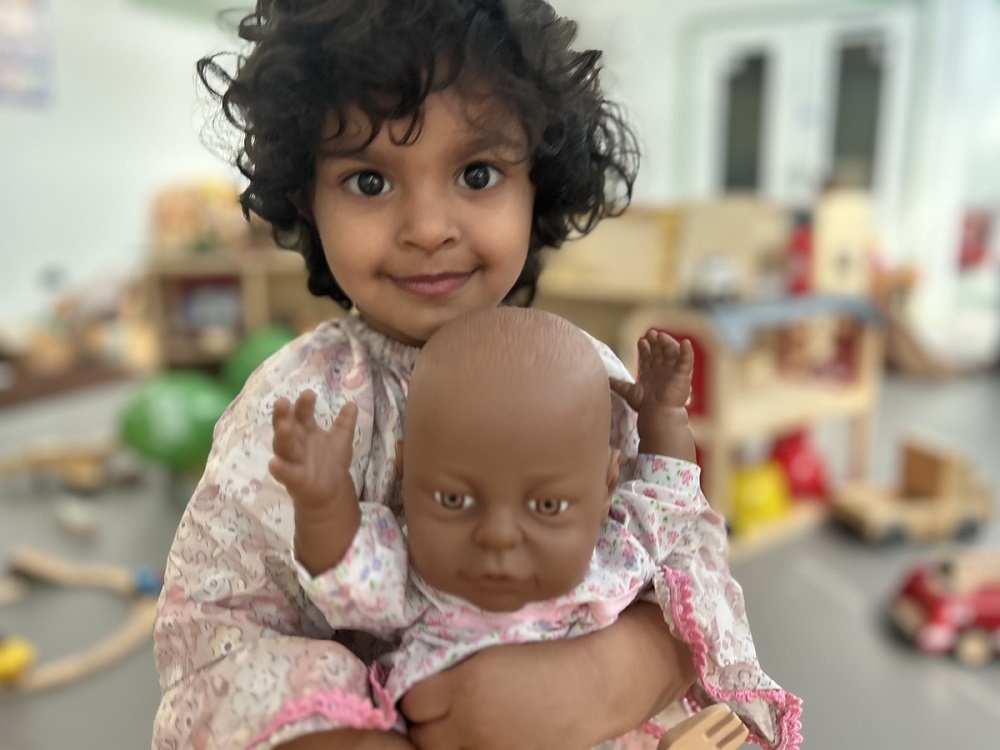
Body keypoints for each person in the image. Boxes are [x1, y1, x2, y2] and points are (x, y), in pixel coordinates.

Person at [151, 2, 803, 749]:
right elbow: (219, 626)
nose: (428, 227)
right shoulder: (298, 405)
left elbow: (678, 547)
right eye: (369, 182)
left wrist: (619, 670)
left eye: (477, 172)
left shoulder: (586, 377)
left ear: (540, 185)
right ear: (308, 198)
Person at [263, 308, 724, 745]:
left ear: (606, 489)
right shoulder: (413, 579)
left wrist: (664, 417)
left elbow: (665, 500)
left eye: (546, 505)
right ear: (407, 472)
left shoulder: (608, 562)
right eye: (455, 500)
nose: (498, 536)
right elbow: (346, 578)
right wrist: (323, 502)